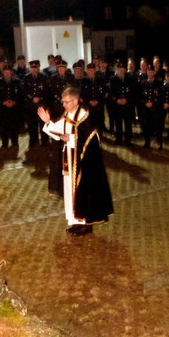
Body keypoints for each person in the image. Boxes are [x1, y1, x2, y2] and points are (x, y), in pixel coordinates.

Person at [38, 87, 113, 236]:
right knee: (69, 191)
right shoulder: (67, 115)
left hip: (83, 165)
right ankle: (74, 221)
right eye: (63, 101)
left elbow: (92, 139)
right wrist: (48, 122)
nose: (63, 105)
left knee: (81, 192)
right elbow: (58, 131)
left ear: (76, 101)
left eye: (66, 102)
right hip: (68, 161)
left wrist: (71, 138)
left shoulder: (84, 117)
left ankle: (85, 223)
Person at [21, 60, 49, 147]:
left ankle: (45, 141)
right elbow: (23, 90)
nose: (34, 69)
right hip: (30, 105)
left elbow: (47, 90)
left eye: (35, 67)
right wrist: (31, 97)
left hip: (41, 104)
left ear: (38, 68)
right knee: (31, 125)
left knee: (43, 125)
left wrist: (39, 97)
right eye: (32, 67)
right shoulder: (26, 78)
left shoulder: (44, 77)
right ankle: (33, 141)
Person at [0, 66, 22, 148]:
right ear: (3, 73)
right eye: (5, 72)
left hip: (14, 108)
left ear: (11, 73)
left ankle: (15, 142)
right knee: (3, 126)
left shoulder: (16, 82)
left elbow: (20, 94)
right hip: (3, 108)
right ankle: (4, 143)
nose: (7, 74)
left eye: (9, 72)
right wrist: (4, 102)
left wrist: (14, 101)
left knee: (14, 126)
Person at [109, 61, 136, 146]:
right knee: (118, 123)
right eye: (119, 69)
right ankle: (119, 139)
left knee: (128, 124)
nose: (121, 71)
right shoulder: (113, 79)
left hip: (127, 105)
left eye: (122, 70)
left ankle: (128, 140)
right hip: (117, 105)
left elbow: (132, 92)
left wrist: (126, 100)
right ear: (116, 70)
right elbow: (111, 92)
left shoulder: (129, 78)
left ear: (125, 70)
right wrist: (117, 99)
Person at [138, 64, 164, 149]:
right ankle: (147, 142)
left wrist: (153, 103)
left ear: (154, 72)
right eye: (148, 71)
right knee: (146, 126)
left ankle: (159, 143)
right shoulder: (143, 83)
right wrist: (145, 103)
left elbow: (161, 97)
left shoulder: (159, 83)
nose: (150, 73)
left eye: (151, 71)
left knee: (158, 127)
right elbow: (140, 96)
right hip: (146, 109)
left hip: (155, 109)